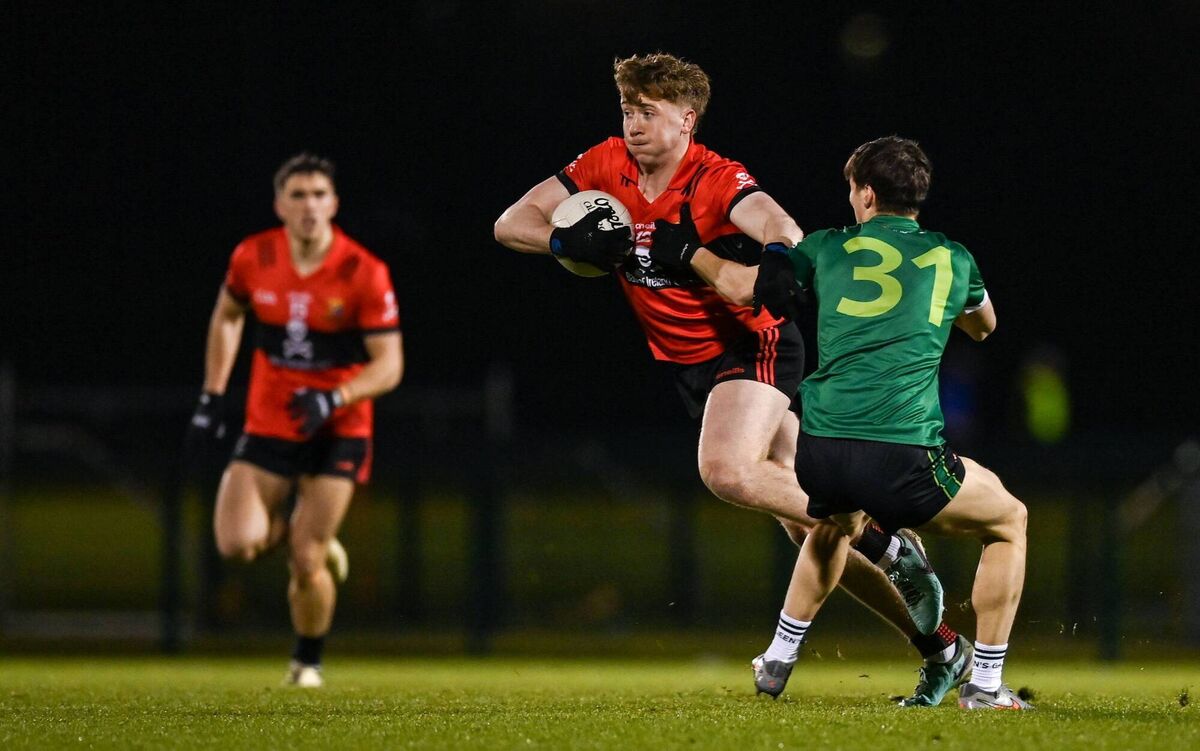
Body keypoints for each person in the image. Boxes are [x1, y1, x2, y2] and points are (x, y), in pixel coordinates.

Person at [494, 53, 963, 702]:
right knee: (811, 527)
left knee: (726, 471)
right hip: (692, 369)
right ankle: (941, 646)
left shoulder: (711, 177)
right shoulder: (606, 164)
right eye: (627, 110)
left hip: (753, 345)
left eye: (648, 112)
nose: (633, 124)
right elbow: (510, 222)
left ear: (687, 120)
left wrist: (776, 255)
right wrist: (565, 243)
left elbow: (778, 223)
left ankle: (887, 544)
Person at [752, 136, 1031, 709]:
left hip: (821, 447)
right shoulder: (951, 256)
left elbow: (767, 286)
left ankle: (779, 653)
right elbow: (985, 327)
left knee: (834, 522)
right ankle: (984, 684)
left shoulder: (827, 245)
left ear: (867, 193)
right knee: (1009, 520)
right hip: (903, 454)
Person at [186, 153, 403, 687]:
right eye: (298, 195)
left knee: (306, 560)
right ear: (280, 205)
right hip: (270, 422)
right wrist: (212, 396)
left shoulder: (363, 271)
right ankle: (303, 532)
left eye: (319, 195)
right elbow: (227, 316)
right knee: (237, 543)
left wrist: (335, 398)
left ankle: (307, 662)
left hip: (338, 429)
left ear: (335, 204)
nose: (310, 206)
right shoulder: (253, 256)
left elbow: (390, 365)